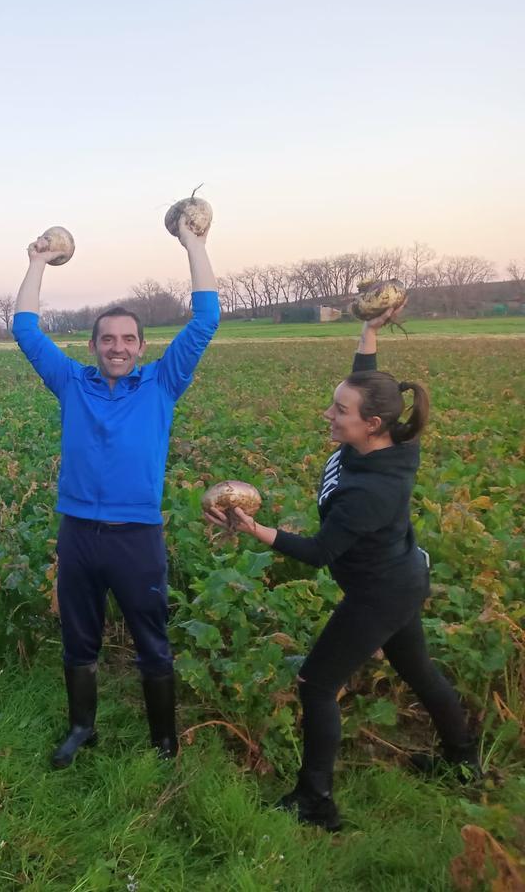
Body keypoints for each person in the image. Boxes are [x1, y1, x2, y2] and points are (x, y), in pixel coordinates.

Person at [204, 306, 477, 831]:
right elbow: (366, 380)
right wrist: (369, 332)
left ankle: (315, 801)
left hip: (380, 593)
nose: (328, 415)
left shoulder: (371, 490)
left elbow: (318, 553)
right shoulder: (388, 438)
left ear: (371, 424)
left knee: (315, 683)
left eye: (339, 411)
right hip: (398, 578)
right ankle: (464, 764)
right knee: (419, 670)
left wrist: (254, 530)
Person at [13, 215, 220, 769]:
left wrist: (193, 245)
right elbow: (27, 331)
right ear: (93, 344)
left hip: (136, 536)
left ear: (142, 345)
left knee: (152, 638)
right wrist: (36, 263)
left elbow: (205, 319)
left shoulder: (163, 381)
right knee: (79, 638)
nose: (118, 347)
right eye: (108, 339)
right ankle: (83, 728)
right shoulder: (71, 382)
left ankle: (164, 742)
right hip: (78, 532)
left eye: (128, 339)